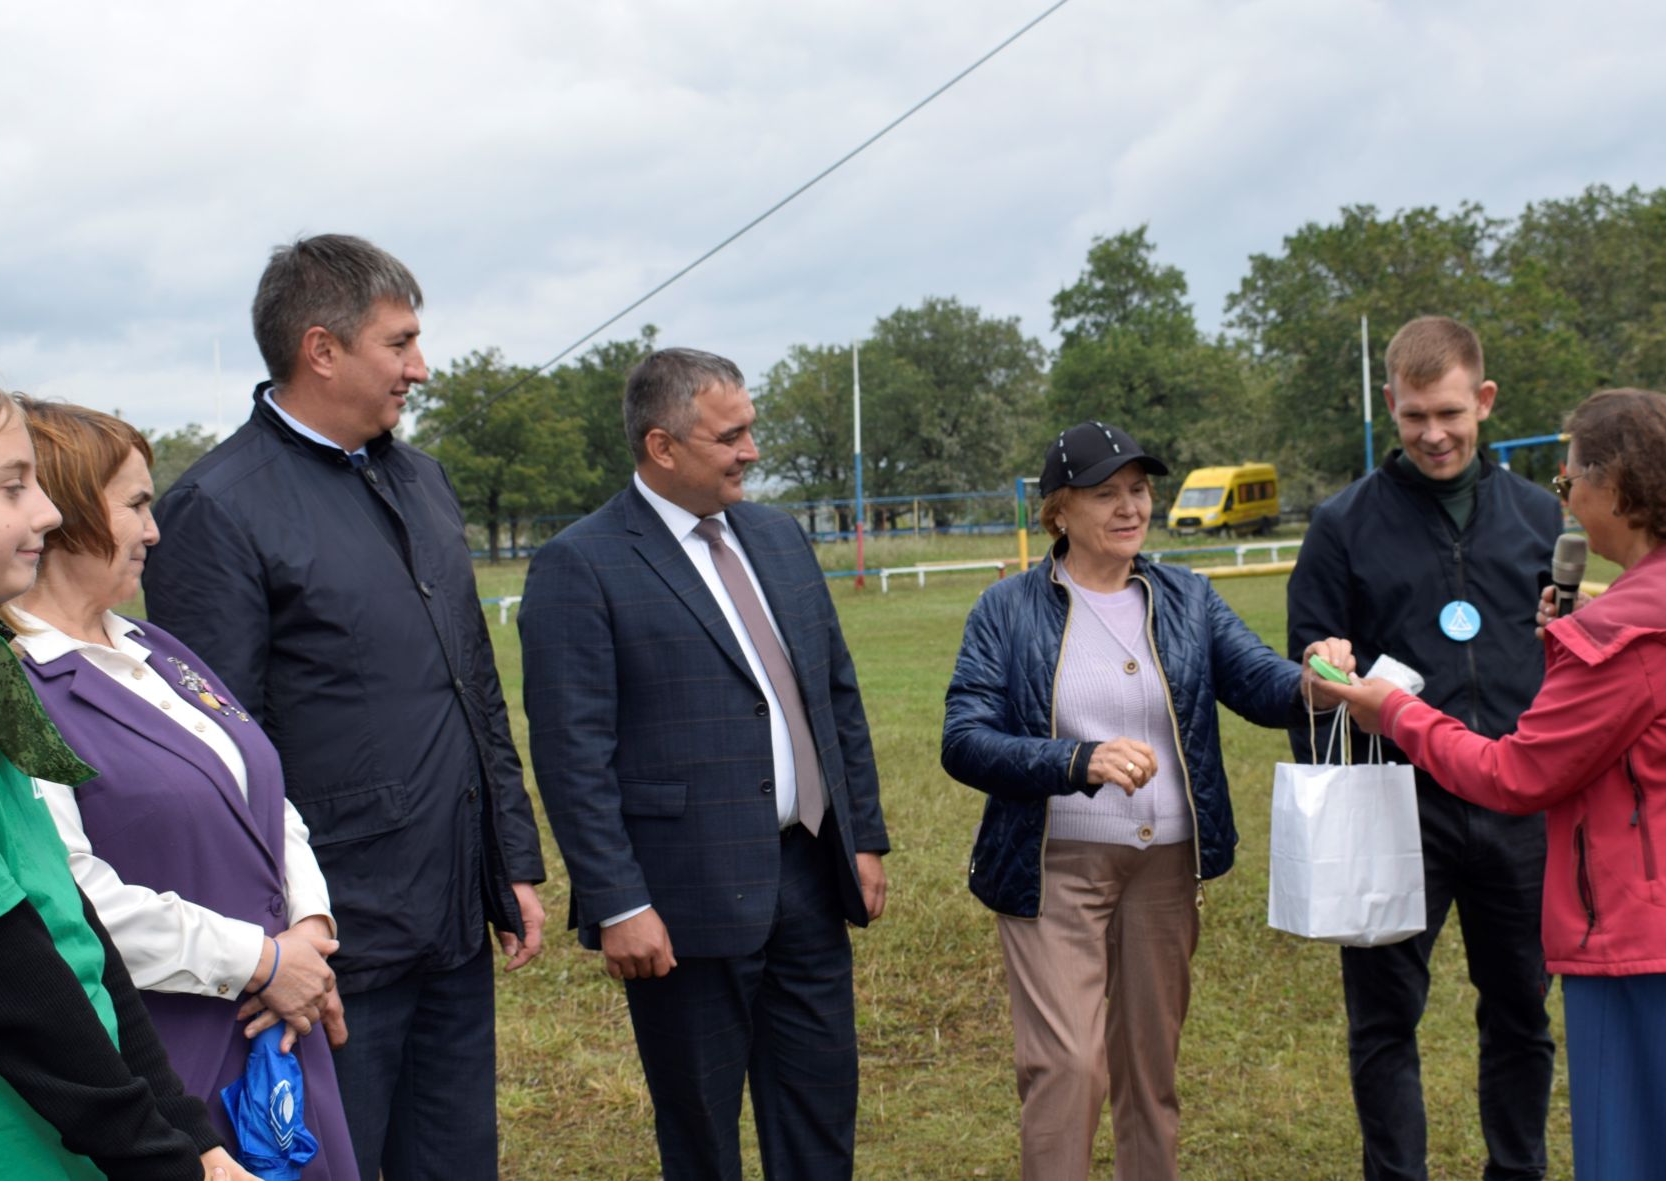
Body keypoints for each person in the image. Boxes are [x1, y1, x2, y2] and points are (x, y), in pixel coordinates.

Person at [1315, 386, 1666, 1181]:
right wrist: (1582, 634)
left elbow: (1515, 772)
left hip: (1655, 935)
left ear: (1616, 487)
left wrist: (1398, 712)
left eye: (1569, 480)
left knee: (1643, 1155)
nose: (1568, 499)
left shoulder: (1624, 637)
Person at [141, 234, 547, 1181]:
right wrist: (273, 949)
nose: (421, 366)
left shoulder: (421, 478)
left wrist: (508, 862)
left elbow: (474, 687)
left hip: (450, 914)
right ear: (321, 349)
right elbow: (218, 757)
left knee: (454, 1159)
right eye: (400, 342)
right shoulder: (218, 509)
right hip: (334, 946)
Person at [942, 419, 1348, 1181]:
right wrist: (1075, 759)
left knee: (1149, 1075)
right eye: (1106, 494)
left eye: (1138, 489)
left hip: (1164, 868)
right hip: (1050, 866)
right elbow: (963, 739)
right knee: (1068, 1066)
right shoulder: (1006, 609)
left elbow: (1260, 682)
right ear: (1059, 510)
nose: (1131, 507)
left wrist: (1312, 679)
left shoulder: (1187, 597)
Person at [520, 347, 889, 1181]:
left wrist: (860, 837)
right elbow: (574, 752)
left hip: (807, 878)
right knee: (701, 1138)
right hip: (680, 904)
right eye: (732, 436)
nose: (751, 450)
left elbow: (835, 694)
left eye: (750, 429)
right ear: (662, 446)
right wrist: (619, 901)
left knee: (821, 1116)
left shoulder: (778, 537)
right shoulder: (580, 563)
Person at [0, 355, 258, 1180]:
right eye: (13, 485)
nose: (49, 512)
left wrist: (189, 1132)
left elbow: (72, 926)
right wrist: (157, 1154)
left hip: (71, 1136)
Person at [9, 399, 358, 1180]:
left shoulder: (154, 646)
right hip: (175, 1048)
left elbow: (266, 795)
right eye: (135, 504)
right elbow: (71, 894)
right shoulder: (15, 685)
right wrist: (259, 959)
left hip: (279, 1023)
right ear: (62, 513)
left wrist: (308, 928)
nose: (154, 530)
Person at [1286, 315, 1558, 1181]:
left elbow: (1577, 661)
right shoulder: (1343, 526)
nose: (1433, 434)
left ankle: (1516, 1170)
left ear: (1483, 400)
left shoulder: (1541, 516)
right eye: (1413, 417)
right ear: (1391, 409)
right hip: (1398, 807)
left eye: (1449, 412)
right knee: (1384, 1020)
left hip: (1518, 803)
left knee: (1520, 1013)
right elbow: (1311, 673)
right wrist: (1324, 670)